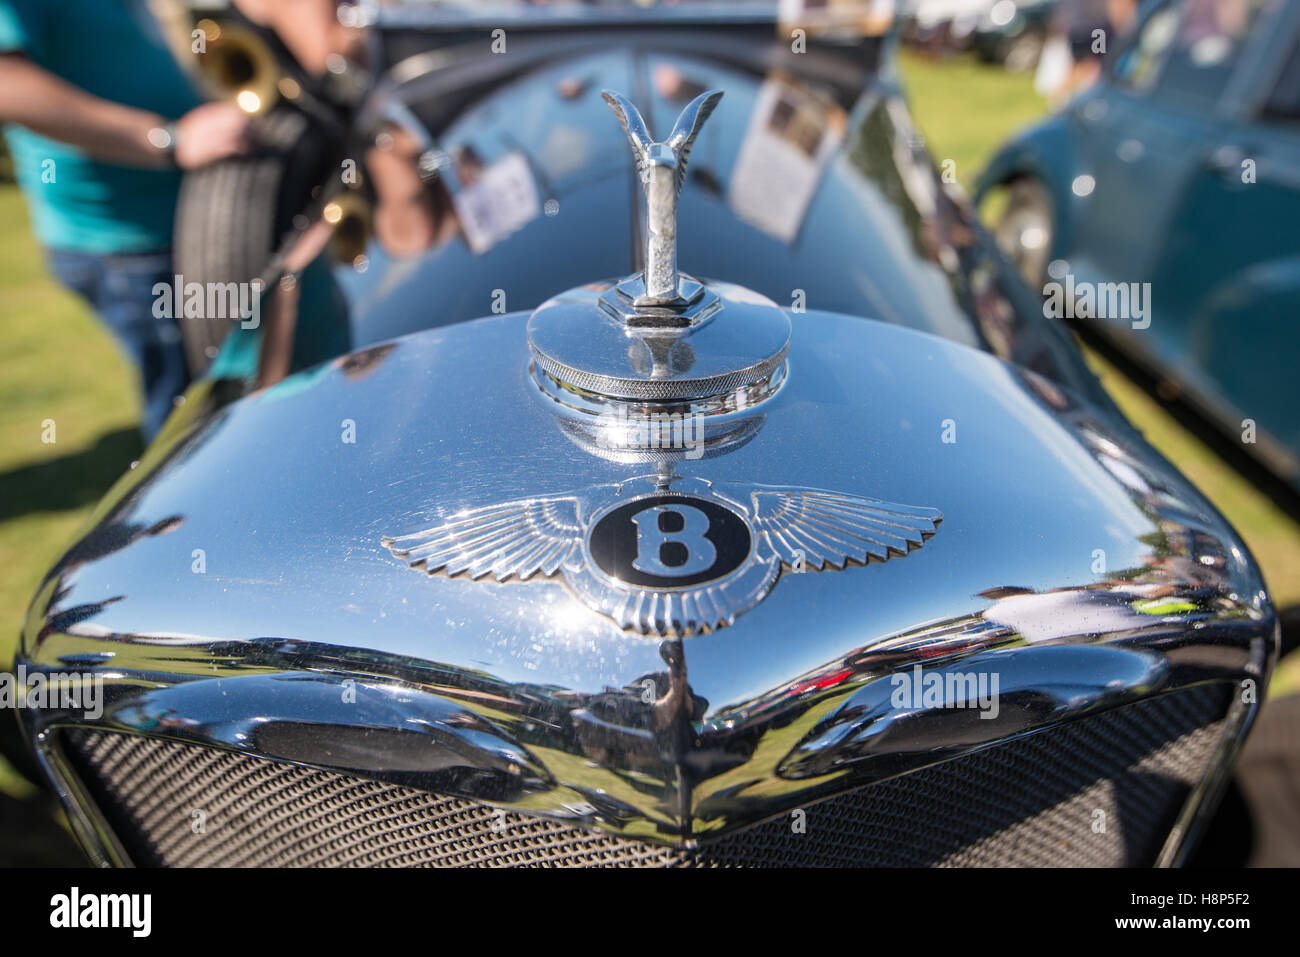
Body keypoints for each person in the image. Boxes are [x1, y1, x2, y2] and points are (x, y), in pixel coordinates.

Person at [0, 0, 253, 441]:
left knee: (228, 400)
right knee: (193, 425)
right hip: (127, 243)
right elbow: (7, 85)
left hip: (178, 219)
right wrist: (166, 140)